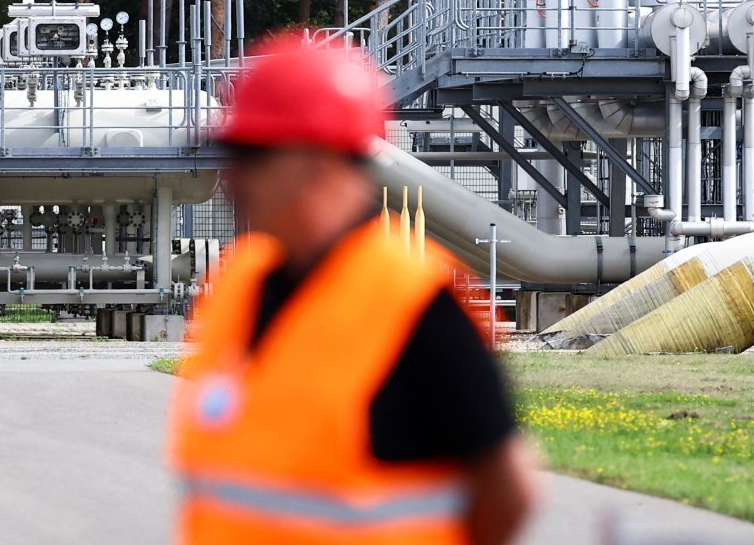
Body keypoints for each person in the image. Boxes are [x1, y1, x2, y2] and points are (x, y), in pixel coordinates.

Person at [169, 32, 535, 545]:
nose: (232, 177)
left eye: (253, 155)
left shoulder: (417, 303)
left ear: (320, 162)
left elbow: (508, 490)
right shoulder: (236, 280)